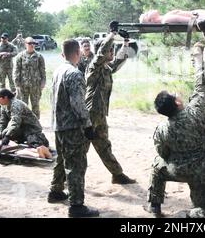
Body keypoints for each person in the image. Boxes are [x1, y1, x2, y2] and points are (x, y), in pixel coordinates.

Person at [146, 43, 205, 218]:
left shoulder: (162, 129)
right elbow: (200, 85)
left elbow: (162, 152)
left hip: (178, 170)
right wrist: (198, 57)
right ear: (177, 103)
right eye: (175, 93)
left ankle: (155, 206)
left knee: (157, 165)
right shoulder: (196, 110)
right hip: (203, 171)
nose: (177, 93)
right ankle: (191, 214)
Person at [48, 39, 99, 218]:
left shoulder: (58, 71)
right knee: (76, 165)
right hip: (71, 126)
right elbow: (78, 103)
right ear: (77, 52)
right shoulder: (74, 73)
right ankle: (76, 206)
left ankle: (55, 190)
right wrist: (87, 125)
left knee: (62, 159)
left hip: (58, 125)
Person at [85, 22, 136, 185]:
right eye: (110, 50)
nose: (112, 52)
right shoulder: (95, 66)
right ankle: (63, 180)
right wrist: (112, 34)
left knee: (104, 145)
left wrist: (126, 42)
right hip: (90, 114)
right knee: (80, 148)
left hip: (99, 114)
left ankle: (117, 174)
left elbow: (119, 61)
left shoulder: (106, 68)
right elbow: (101, 52)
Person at [13, 37, 46, 119]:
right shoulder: (20, 56)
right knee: (23, 105)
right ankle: (25, 122)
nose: (32, 45)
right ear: (25, 44)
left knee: (35, 105)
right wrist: (17, 84)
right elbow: (16, 71)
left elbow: (42, 70)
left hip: (36, 85)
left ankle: (36, 123)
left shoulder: (39, 56)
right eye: (29, 43)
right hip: (23, 85)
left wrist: (43, 82)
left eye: (33, 43)